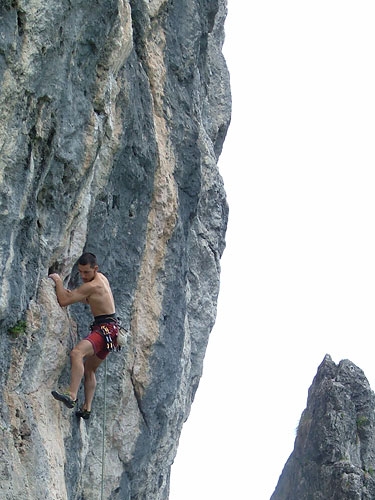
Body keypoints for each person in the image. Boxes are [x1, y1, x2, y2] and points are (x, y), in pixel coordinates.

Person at [49, 252, 118, 420]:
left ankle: (72, 395)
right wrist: (74, 295)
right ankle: (86, 408)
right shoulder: (101, 278)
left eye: (86, 272)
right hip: (113, 332)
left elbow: (63, 301)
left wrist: (58, 281)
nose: (83, 276)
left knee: (77, 353)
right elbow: (91, 300)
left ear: (95, 268)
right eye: (80, 272)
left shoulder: (91, 285)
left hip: (103, 330)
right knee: (89, 369)